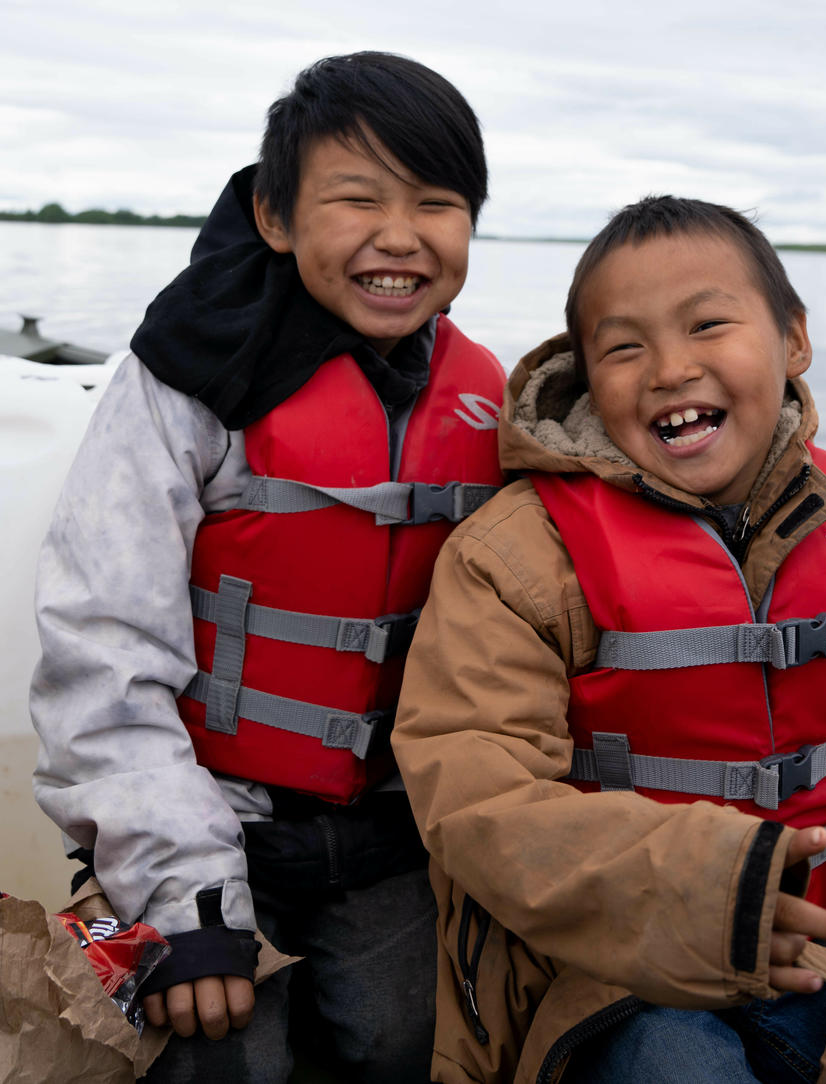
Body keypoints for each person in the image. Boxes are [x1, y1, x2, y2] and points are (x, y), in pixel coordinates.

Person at [390, 195, 826, 1082]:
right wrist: (714, 895)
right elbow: (476, 794)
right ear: (586, 374)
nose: (672, 369)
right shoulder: (515, 559)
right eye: (625, 347)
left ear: (793, 340)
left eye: (709, 324)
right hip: (618, 984)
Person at [30, 52, 505, 1083]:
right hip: (203, 815)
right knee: (218, 1052)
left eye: (437, 201)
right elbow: (101, 654)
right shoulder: (183, 386)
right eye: (356, 199)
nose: (399, 234)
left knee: (407, 1046)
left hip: (393, 831)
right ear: (275, 217)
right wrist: (183, 897)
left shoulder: (491, 402)